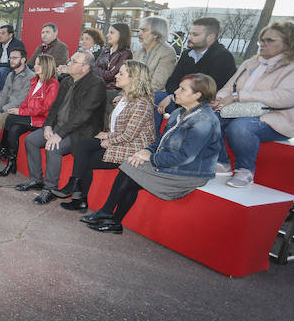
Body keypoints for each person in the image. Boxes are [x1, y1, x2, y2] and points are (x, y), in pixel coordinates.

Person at [83, 74, 221, 233]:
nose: (176, 91)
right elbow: (160, 141)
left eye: (183, 89)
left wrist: (152, 157)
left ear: (198, 95)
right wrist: (146, 150)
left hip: (189, 173)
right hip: (171, 162)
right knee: (132, 168)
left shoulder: (204, 121)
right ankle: (113, 220)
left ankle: (108, 214)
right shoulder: (178, 113)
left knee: (130, 169)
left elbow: (185, 157)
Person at [212, 21, 294, 187]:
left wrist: (239, 96)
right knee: (208, 118)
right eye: (262, 40)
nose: (263, 44)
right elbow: (228, 88)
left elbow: (286, 97)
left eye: (270, 40)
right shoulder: (251, 63)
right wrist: (219, 100)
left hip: (279, 119)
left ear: (289, 43)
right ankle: (221, 162)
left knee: (240, 127)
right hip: (242, 111)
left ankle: (245, 171)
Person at [56, 60, 157, 211]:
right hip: (120, 140)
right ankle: (75, 186)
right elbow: (121, 127)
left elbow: (129, 135)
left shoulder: (142, 104)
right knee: (83, 145)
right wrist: (108, 134)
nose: (116, 75)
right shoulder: (123, 98)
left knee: (85, 159)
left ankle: (79, 196)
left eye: (121, 73)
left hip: (131, 149)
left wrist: (110, 139)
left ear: (133, 79)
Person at [21, 50, 106, 203]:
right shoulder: (67, 81)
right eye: (70, 60)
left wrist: (58, 134)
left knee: (53, 147)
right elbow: (55, 107)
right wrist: (48, 126)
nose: (69, 63)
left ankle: (49, 189)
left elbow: (83, 115)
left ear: (85, 68)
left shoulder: (96, 84)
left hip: (79, 131)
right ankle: (36, 179)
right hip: (59, 127)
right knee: (31, 140)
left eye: (73, 61)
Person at [156, 17, 237, 130]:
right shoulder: (186, 54)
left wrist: (173, 98)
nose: (190, 37)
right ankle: (152, 143)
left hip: (206, 107)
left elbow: (209, 92)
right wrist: (173, 96)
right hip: (181, 99)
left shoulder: (223, 57)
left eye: (195, 35)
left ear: (210, 37)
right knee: (153, 98)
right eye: (190, 34)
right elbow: (172, 82)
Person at [0, 55, 60, 176]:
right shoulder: (35, 81)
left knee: (11, 118)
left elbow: (45, 109)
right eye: (36, 63)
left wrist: (21, 112)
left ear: (47, 66)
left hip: (42, 120)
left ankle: (3, 149)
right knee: (13, 129)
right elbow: (26, 102)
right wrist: (18, 109)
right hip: (30, 117)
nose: (35, 66)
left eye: (39, 64)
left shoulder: (53, 84)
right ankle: (11, 162)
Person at [134, 16, 177, 92]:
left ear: (155, 34)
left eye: (144, 30)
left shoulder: (167, 53)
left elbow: (156, 85)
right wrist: (122, 95)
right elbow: (129, 77)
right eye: (139, 30)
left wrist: (130, 96)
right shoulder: (138, 52)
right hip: (133, 93)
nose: (139, 33)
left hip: (152, 96)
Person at [94, 23, 133, 90]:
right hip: (98, 86)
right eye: (108, 32)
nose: (107, 35)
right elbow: (95, 68)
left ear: (122, 34)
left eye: (111, 33)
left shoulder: (126, 54)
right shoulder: (106, 51)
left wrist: (98, 70)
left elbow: (112, 75)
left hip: (112, 90)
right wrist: (104, 72)